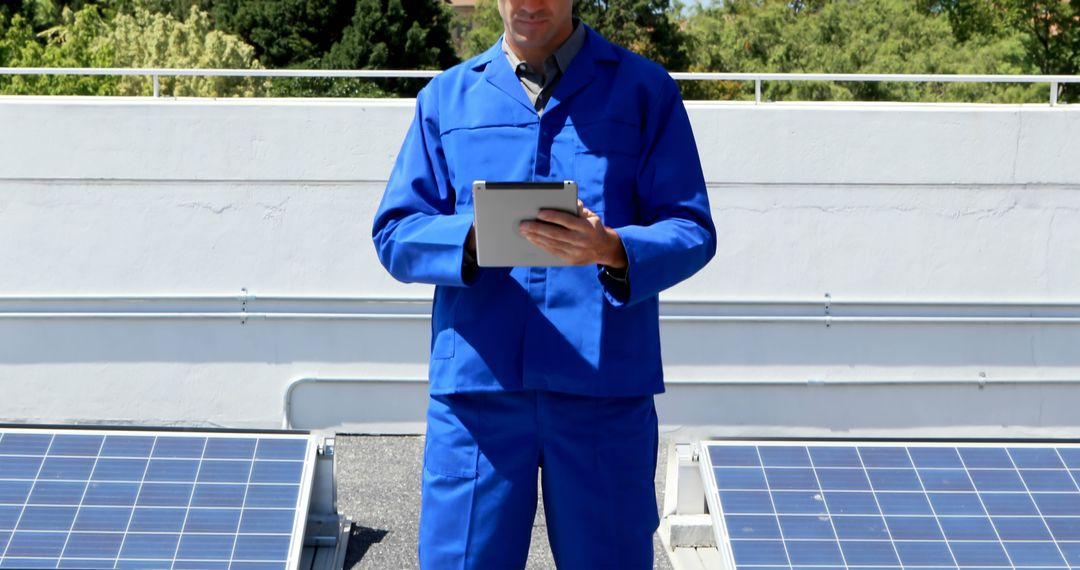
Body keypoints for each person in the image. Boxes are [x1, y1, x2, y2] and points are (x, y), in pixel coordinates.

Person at [371, 0, 716, 565]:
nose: (530, 3)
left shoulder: (644, 92)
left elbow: (692, 228)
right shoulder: (446, 98)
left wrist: (613, 248)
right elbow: (395, 231)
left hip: (602, 392)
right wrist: (472, 239)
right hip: (478, 397)